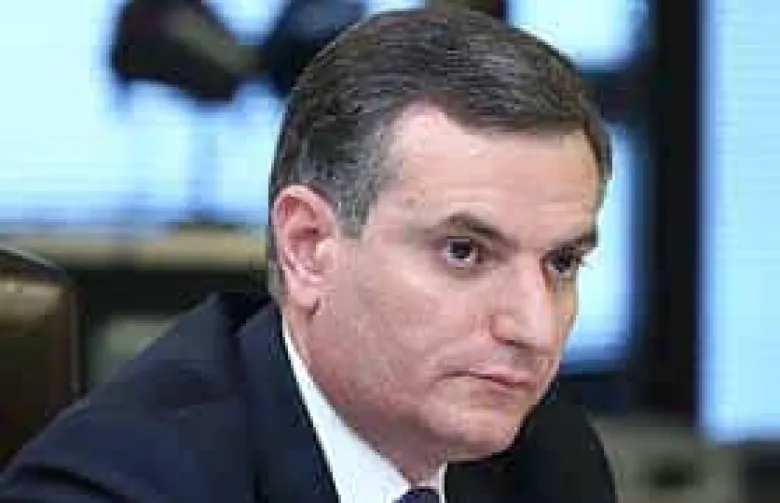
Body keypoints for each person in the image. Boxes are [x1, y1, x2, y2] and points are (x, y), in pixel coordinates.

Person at [1, 6, 616, 503]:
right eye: (464, 252)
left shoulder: (544, 458)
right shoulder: (118, 485)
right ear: (308, 248)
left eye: (561, 263)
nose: (534, 328)